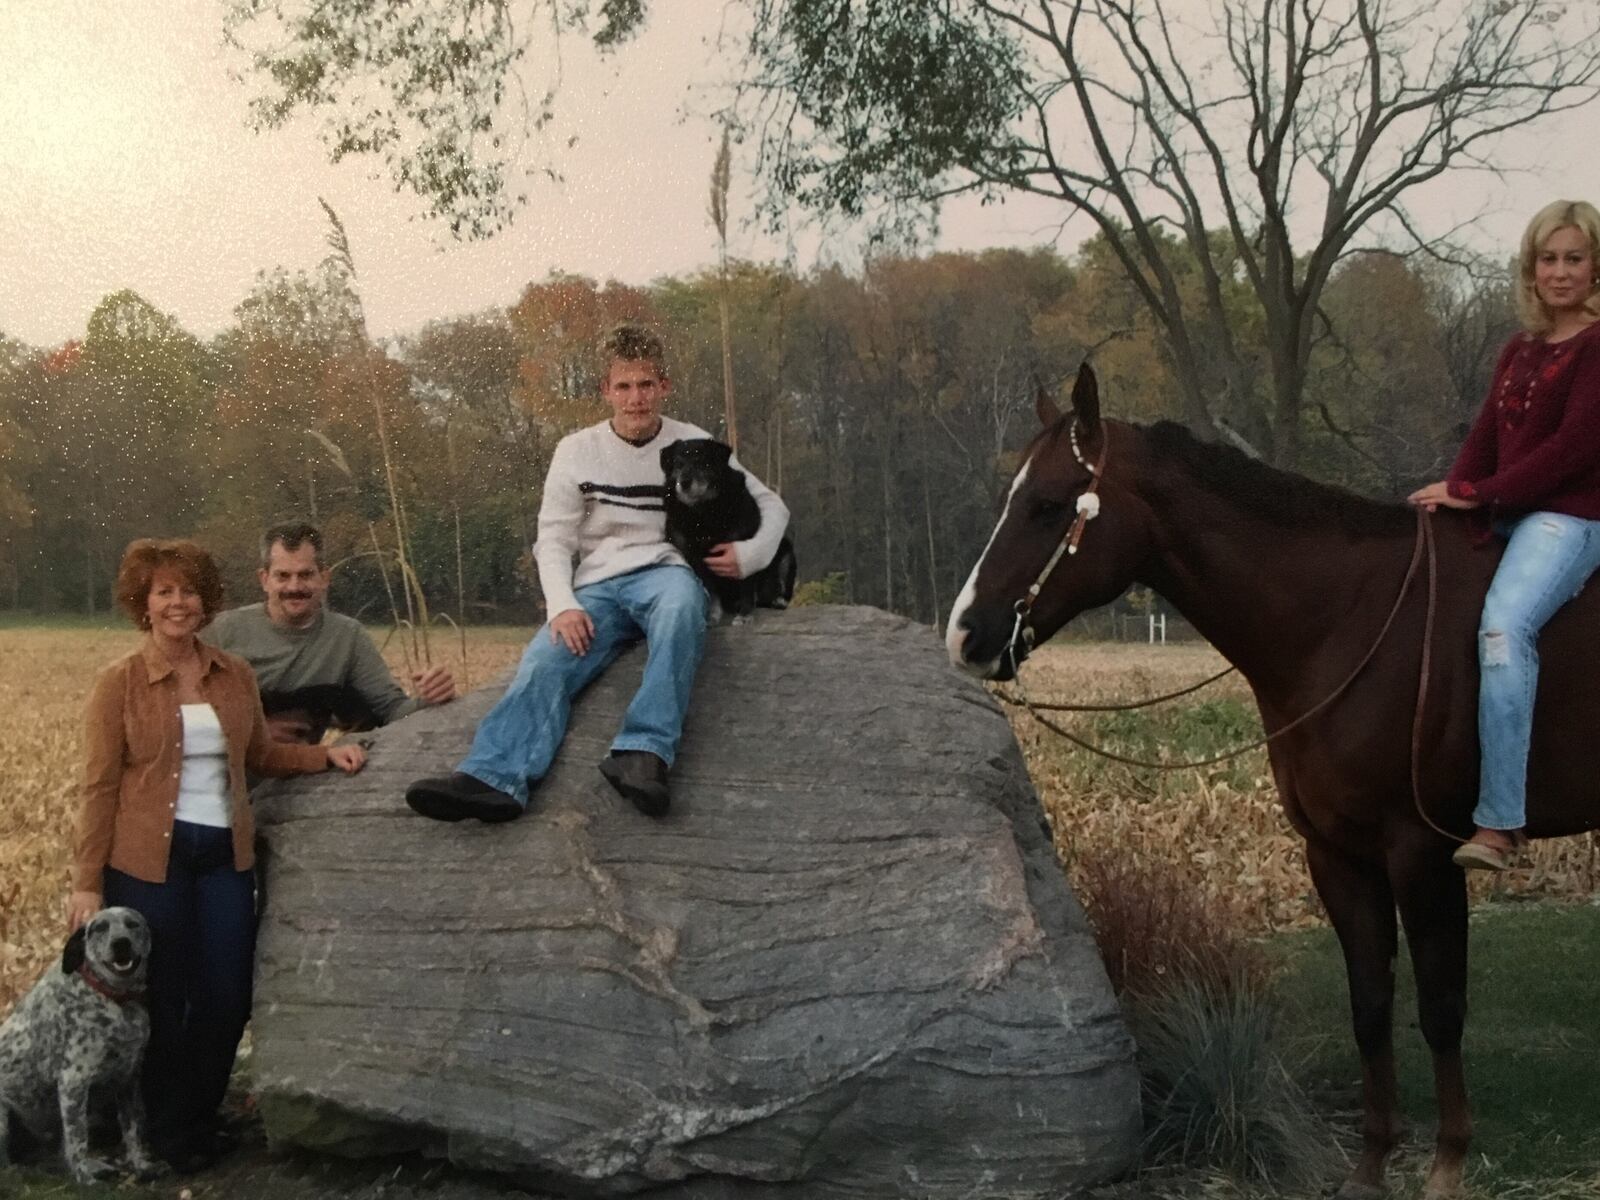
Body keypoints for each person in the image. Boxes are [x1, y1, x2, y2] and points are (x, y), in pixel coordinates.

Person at [405, 323, 789, 822]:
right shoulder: (576, 450)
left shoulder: (694, 442)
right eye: (624, 387)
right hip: (598, 587)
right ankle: (495, 776)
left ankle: (642, 754)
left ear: (664, 387)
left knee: (679, 609)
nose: (636, 399)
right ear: (606, 390)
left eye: (646, 385)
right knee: (546, 659)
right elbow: (555, 539)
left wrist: (750, 555)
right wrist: (563, 605)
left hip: (664, 569)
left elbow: (772, 505)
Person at [68, 538, 367, 1171]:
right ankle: (162, 1134)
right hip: (147, 863)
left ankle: (197, 1119)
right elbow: (98, 788)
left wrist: (324, 755)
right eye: (164, 592)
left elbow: (260, 755)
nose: (178, 603)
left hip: (223, 857)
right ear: (143, 604)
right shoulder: (117, 684)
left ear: (206, 602)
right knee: (165, 999)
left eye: (189, 591)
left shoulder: (233, 675)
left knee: (227, 992)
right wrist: (86, 882)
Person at [1408, 198, 1600, 872]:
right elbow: (1487, 435)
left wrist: (1479, 495)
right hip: (1508, 510)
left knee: (1502, 630)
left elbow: (1575, 449)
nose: (1560, 271)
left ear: (1595, 265)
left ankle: (1499, 821)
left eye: (1574, 258)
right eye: (1548, 258)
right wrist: (1450, 494)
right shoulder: (1519, 349)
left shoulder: (1597, 345)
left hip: (1574, 517)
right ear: (1531, 268)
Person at [203, 522, 456, 743]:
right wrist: (251, 733)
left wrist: (430, 698)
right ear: (264, 579)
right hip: (227, 777)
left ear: (324, 578)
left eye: (305, 575)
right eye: (283, 576)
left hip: (299, 779)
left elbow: (391, 710)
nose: (294, 586)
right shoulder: (222, 633)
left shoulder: (347, 637)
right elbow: (176, 714)